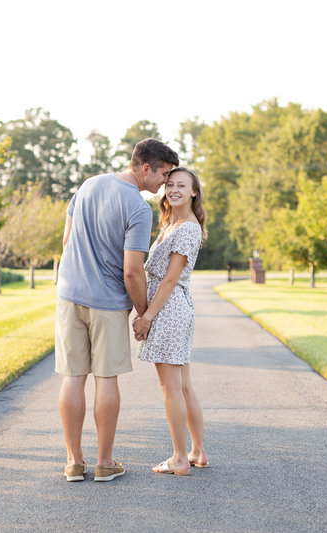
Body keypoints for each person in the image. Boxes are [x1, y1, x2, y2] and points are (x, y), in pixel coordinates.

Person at [55, 138, 179, 482]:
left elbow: (66, 241)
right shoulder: (139, 209)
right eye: (163, 175)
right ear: (145, 169)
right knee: (105, 379)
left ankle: (73, 462)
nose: (164, 184)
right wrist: (143, 313)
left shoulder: (88, 184)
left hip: (68, 295)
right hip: (107, 302)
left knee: (73, 377)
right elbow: (131, 271)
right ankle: (105, 463)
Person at [132, 167, 209, 476]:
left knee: (171, 388)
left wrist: (147, 316)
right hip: (174, 308)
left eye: (182, 185)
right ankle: (197, 452)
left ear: (193, 192)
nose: (174, 189)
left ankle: (179, 458)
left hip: (169, 309)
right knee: (183, 385)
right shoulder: (172, 224)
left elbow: (169, 279)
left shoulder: (187, 228)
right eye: (170, 184)